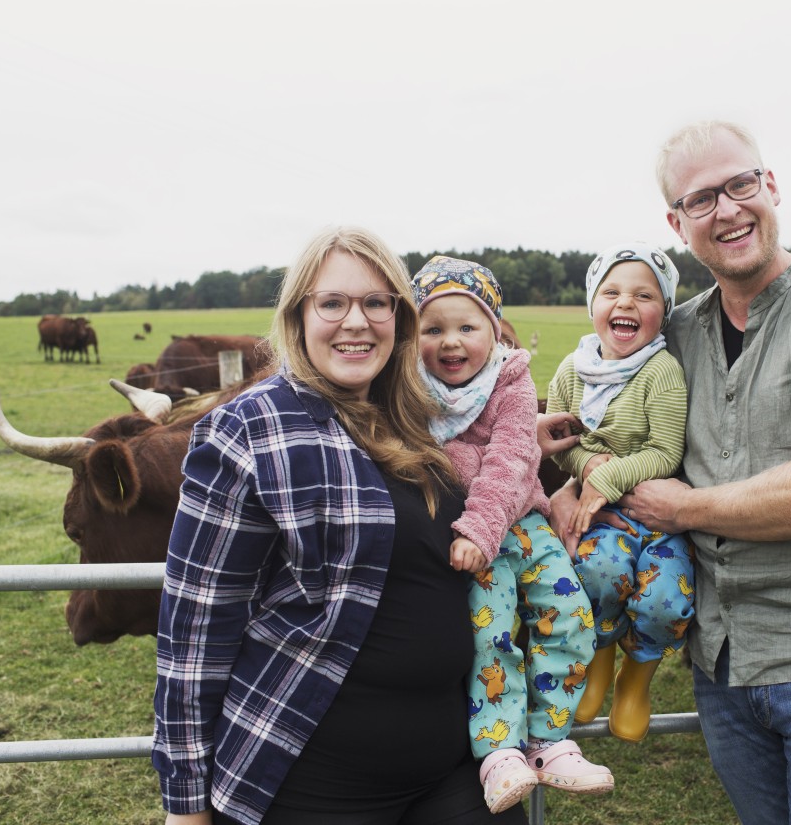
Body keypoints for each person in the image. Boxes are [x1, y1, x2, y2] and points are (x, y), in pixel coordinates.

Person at [551, 121, 791, 824]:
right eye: (700, 199)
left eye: (740, 185)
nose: (726, 210)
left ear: (770, 185)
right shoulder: (676, 333)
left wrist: (685, 509)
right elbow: (619, 434)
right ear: (677, 221)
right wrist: (573, 485)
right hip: (722, 664)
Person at [153, 227, 528, 825]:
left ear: (400, 319)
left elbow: (502, 465)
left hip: (457, 765)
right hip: (318, 781)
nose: (357, 321)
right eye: (333, 303)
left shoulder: (422, 415)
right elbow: (196, 627)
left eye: (376, 303)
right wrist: (185, 803)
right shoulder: (251, 430)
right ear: (299, 315)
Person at [410, 255, 613, 814]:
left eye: (466, 327)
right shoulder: (409, 389)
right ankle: (499, 752)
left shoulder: (512, 378)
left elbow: (510, 457)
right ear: (413, 335)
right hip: (480, 546)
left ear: (495, 330)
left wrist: (479, 502)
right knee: (489, 636)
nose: (451, 343)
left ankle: (549, 740)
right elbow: (429, 456)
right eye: (433, 328)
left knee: (569, 619)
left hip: (520, 526)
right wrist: (489, 462)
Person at [543, 241, 692, 744]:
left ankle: (636, 681)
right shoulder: (571, 371)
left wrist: (605, 478)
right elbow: (562, 446)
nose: (626, 303)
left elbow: (666, 451)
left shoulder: (661, 371)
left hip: (655, 519)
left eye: (644, 295)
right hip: (600, 517)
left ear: (663, 312)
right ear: (593, 305)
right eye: (612, 292)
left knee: (667, 603)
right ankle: (600, 661)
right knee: (597, 576)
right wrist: (585, 464)